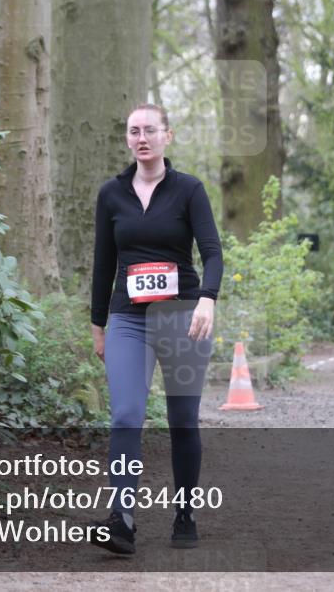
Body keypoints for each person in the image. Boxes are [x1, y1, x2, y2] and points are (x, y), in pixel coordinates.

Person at [89, 103, 223, 554]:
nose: (141, 137)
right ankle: (121, 519)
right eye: (133, 131)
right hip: (127, 318)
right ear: (127, 139)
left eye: (150, 130)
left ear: (167, 135)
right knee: (126, 414)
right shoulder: (112, 194)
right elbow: (103, 265)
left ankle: (185, 510)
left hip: (182, 317)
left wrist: (207, 299)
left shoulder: (188, 190)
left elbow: (213, 253)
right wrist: (97, 325)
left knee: (182, 420)